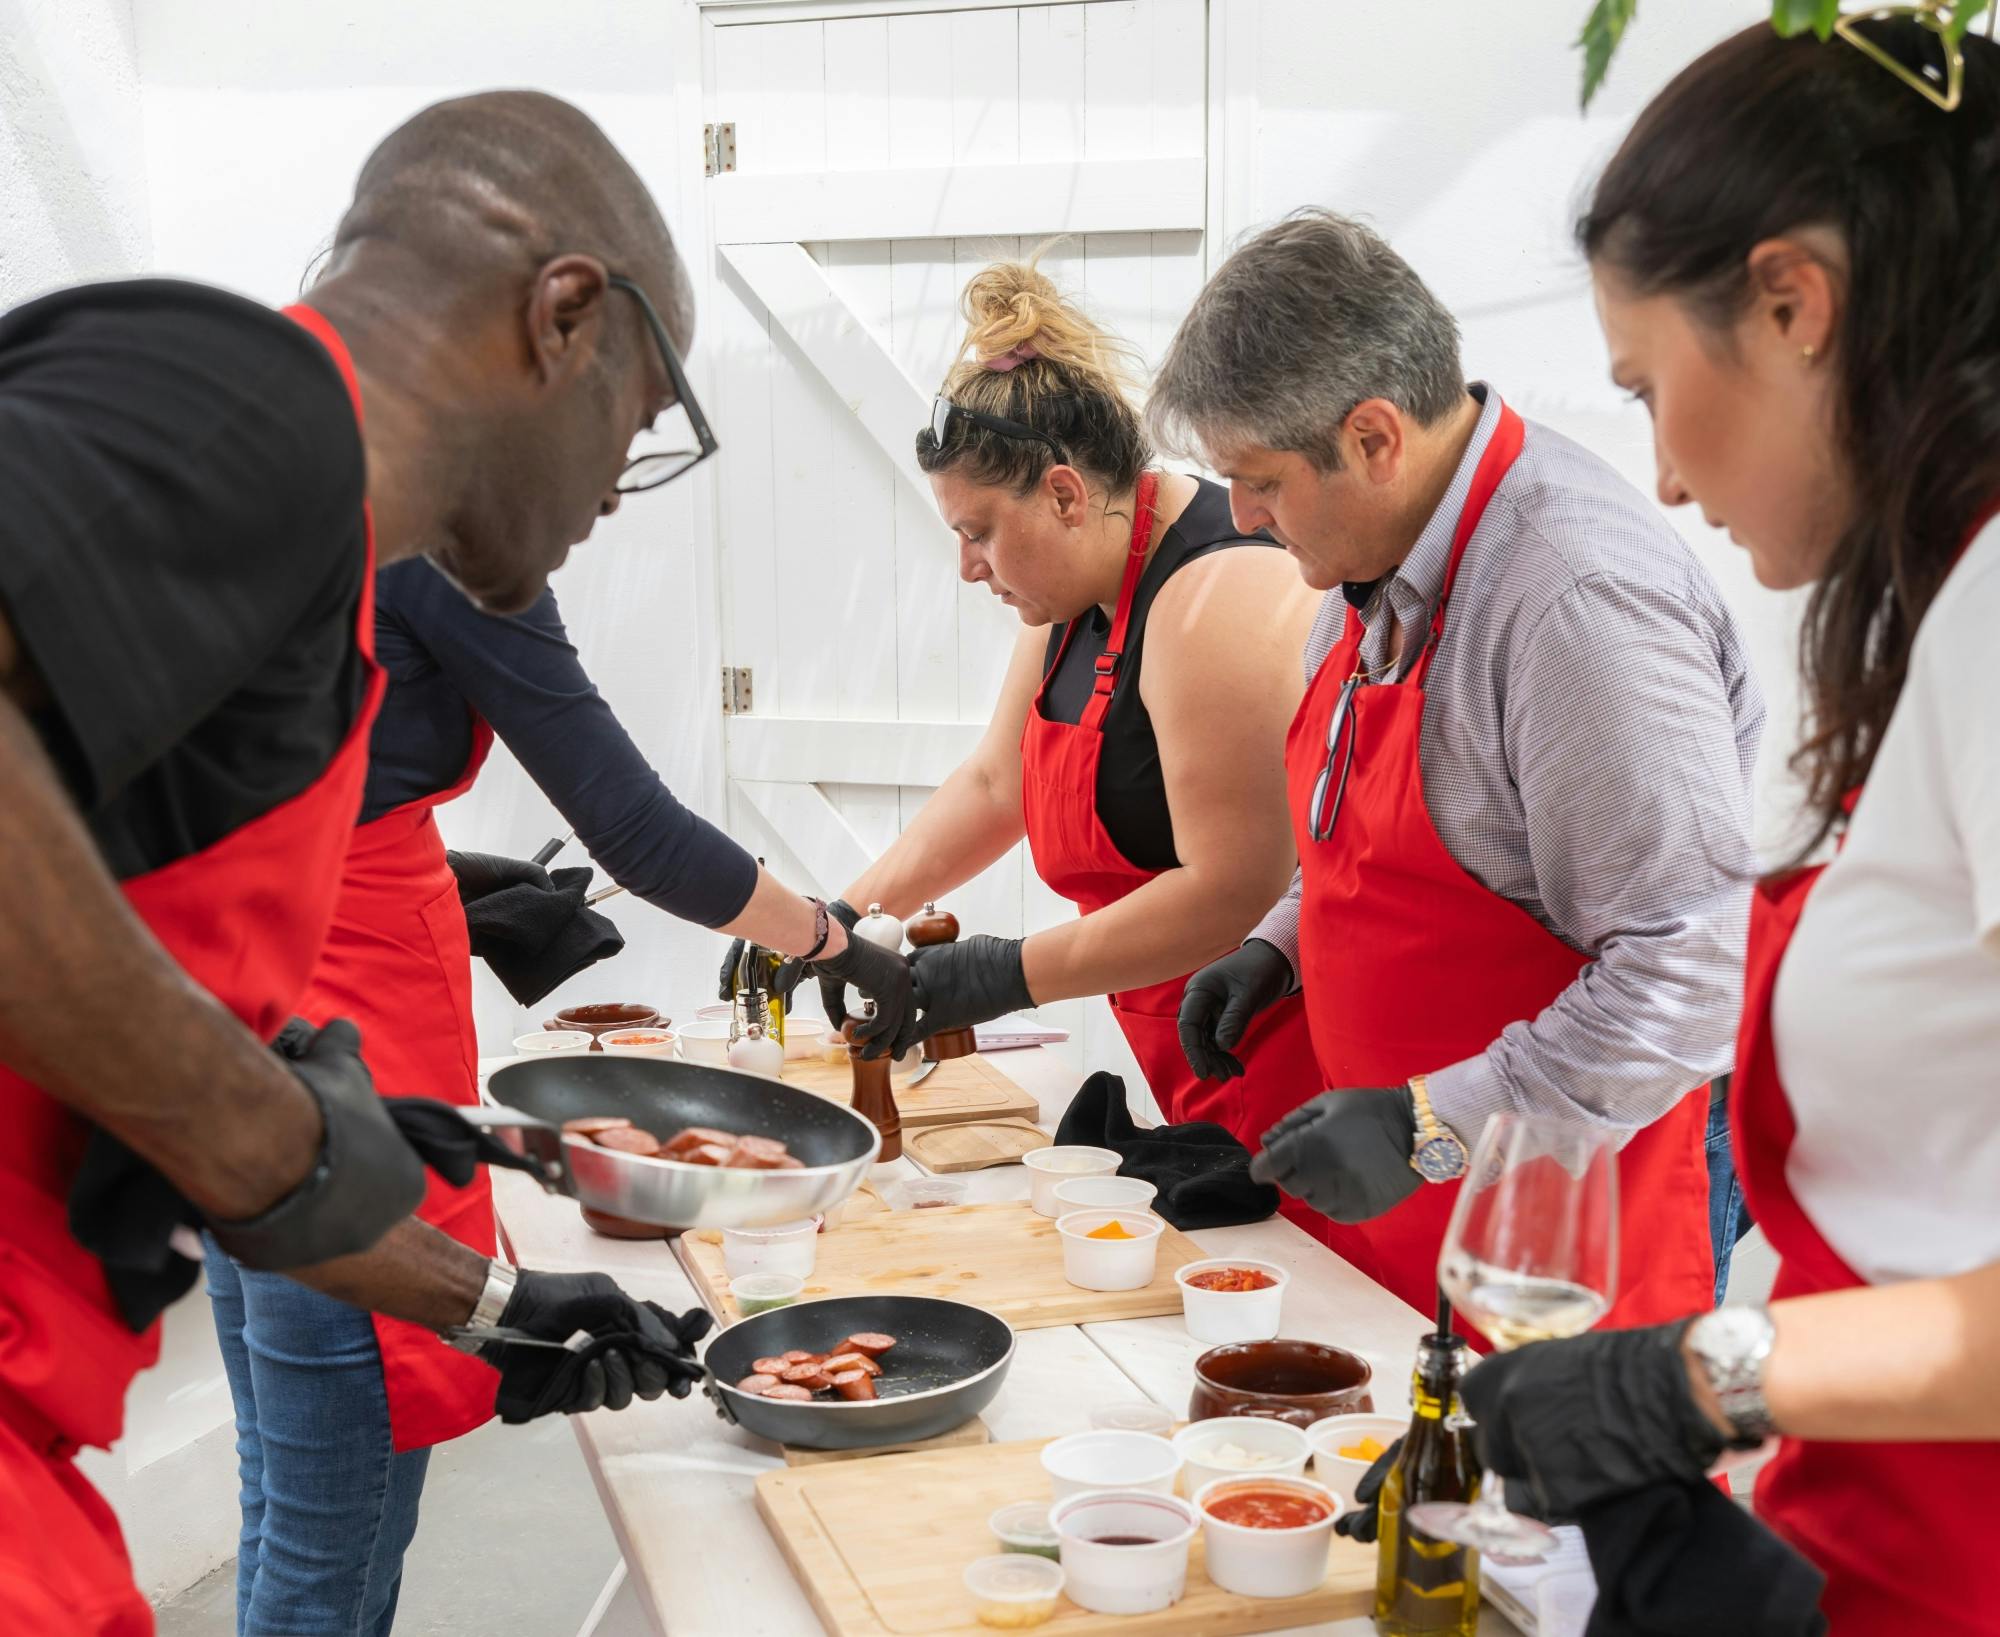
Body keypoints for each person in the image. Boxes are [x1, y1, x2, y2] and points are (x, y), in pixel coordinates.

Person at [0, 91, 731, 1637]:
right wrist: (252, 1118)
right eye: (637, 425)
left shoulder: (322, 587)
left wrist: (495, 1305)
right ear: (564, 317)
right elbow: (232, 1130)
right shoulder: (252, 405)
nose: (615, 490)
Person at [1459, 21, 2000, 1634]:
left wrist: (1699, 1375)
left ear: (1790, 302)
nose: (1665, 479)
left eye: (1649, 387)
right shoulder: (1937, 610)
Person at [225, 551, 911, 1633]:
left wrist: (425, 861)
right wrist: (826, 935)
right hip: (347, 1040)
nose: (590, 517)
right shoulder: (442, 543)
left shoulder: (259, 483)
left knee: (286, 1496)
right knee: (337, 1533)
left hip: (236, 1003)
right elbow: (635, 829)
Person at [1150, 209, 1761, 1328]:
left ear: (1374, 437)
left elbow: (1689, 966)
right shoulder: (1366, 563)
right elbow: (1376, 834)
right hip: (1405, 1234)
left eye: (1260, 479)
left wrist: (1426, 1123)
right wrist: (1276, 947)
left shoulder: (1572, 602)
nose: (1236, 515)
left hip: (1555, 1252)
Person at [814, 260, 1322, 1148]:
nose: (968, 567)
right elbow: (994, 785)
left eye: (978, 534)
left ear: (1063, 494)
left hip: (1287, 1057)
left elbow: (1232, 889)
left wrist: (998, 974)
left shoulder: (1213, 602)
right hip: (1189, 1054)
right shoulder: (1072, 590)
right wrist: (837, 922)